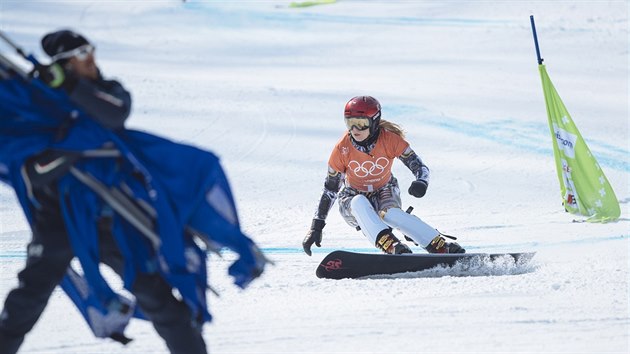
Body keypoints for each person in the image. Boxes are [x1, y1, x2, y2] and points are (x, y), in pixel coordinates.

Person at [0, 30, 210, 354]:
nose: (92, 60)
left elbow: (114, 114)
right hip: (57, 218)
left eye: (91, 50)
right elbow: (34, 171)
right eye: (82, 54)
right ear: (65, 63)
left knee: (157, 297)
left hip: (110, 217)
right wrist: (71, 138)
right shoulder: (40, 104)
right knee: (28, 298)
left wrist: (68, 94)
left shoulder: (109, 91)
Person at [302, 96, 465, 256]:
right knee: (359, 201)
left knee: (391, 214)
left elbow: (419, 165)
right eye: (350, 123)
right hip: (352, 197)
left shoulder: (389, 140)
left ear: (374, 122)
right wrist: (316, 226)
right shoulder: (342, 149)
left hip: (384, 190)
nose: (355, 130)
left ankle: (440, 246)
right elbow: (330, 190)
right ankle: (391, 245)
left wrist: (421, 182)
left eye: (361, 124)